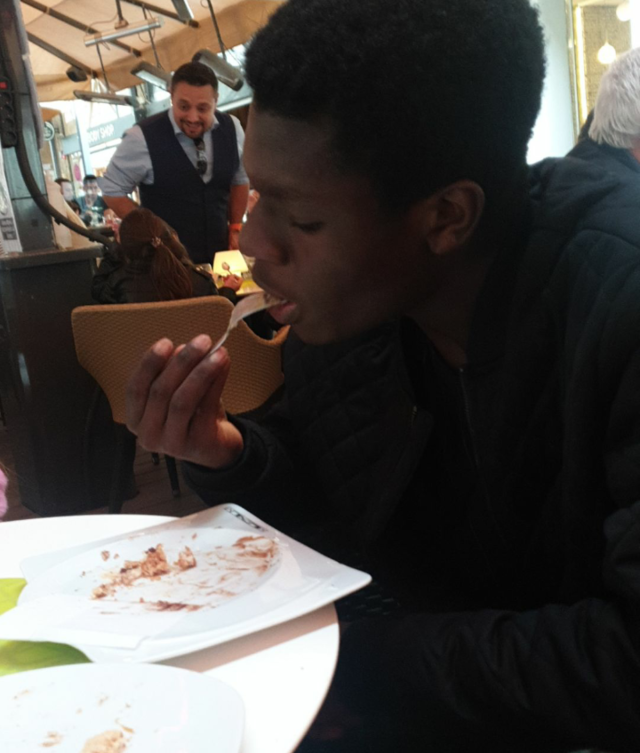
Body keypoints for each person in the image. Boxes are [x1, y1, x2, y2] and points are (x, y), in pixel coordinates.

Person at [124, 1, 640, 751]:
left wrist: (356, 658)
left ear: (447, 217)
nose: (254, 242)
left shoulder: (617, 301)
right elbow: (335, 490)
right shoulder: (357, 308)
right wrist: (230, 454)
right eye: (258, 195)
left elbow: (624, 665)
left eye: (301, 220)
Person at [101, 62, 250, 264]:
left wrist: (235, 227)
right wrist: (150, 231)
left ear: (215, 100)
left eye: (203, 108)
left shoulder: (232, 129)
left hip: (222, 259)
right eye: (184, 106)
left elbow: (240, 180)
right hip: (165, 264)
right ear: (171, 97)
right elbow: (111, 189)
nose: (193, 117)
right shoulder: (142, 137)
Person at [91, 207, 233, 304]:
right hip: (192, 341)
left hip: (141, 342)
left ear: (125, 248)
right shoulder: (200, 282)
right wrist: (228, 291)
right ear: (170, 236)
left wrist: (115, 247)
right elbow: (218, 318)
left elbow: (97, 286)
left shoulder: (117, 285)